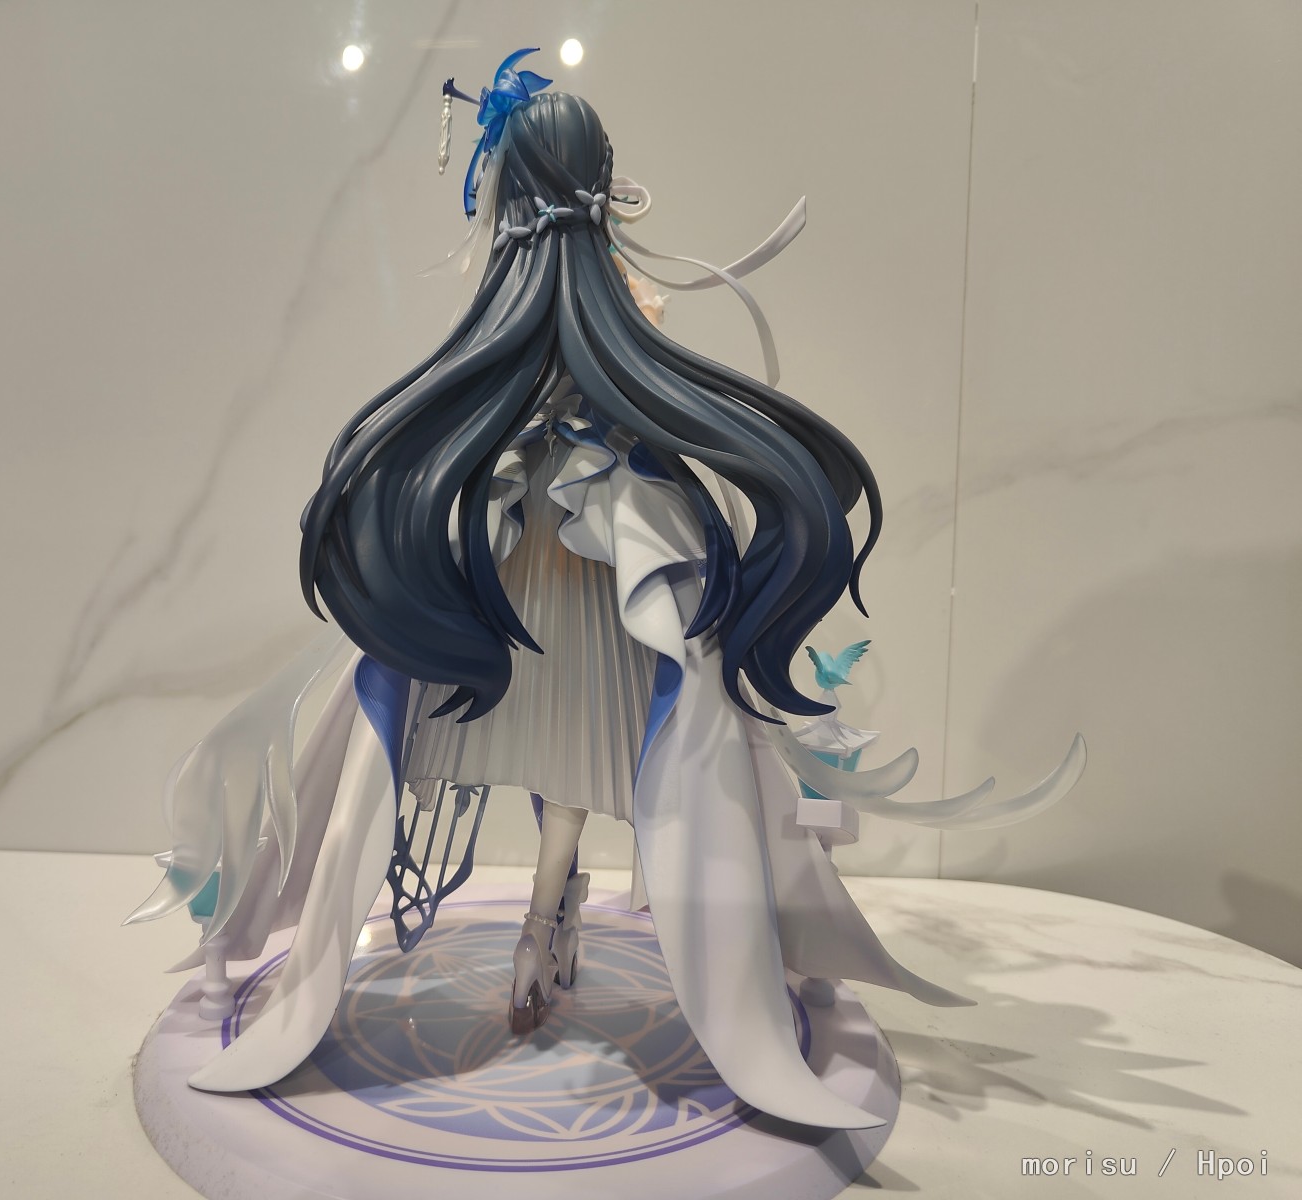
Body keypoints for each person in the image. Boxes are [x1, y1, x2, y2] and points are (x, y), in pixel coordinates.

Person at [128, 52, 1084, 1132]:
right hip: (542, 560)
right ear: (600, 182)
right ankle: (548, 913)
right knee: (531, 740)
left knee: (593, 745)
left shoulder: (597, 306)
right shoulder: (559, 310)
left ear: (512, 190)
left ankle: (552, 913)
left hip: (592, 564)